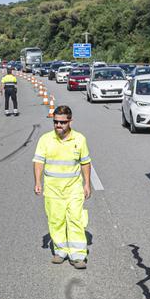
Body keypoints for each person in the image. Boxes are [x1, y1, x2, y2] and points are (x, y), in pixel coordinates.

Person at [33, 105, 93, 269]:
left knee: (75, 219)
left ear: (70, 122)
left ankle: (78, 255)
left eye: (62, 122)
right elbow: (38, 162)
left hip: (74, 188)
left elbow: (85, 162)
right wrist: (38, 182)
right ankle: (60, 252)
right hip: (52, 190)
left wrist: (87, 183)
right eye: (56, 122)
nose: (58, 126)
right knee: (56, 221)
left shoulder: (79, 139)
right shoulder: (45, 139)